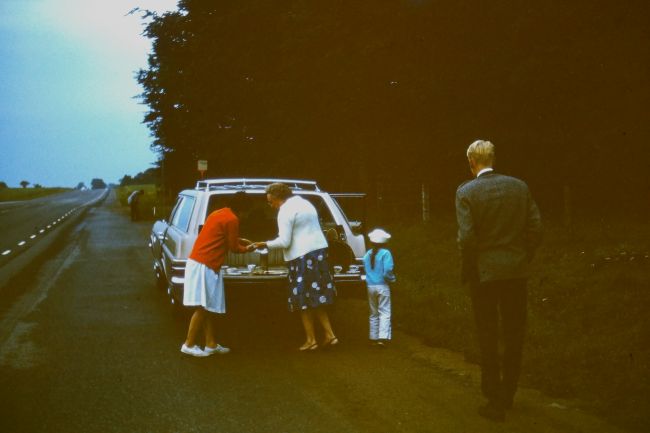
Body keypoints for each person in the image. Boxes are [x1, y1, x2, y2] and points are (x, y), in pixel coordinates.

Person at [455, 140, 542, 421]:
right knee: (515, 332)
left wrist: (470, 267)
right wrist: (523, 256)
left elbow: (467, 238)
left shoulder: (466, 192)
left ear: (471, 162)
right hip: (516, 272)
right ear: (493, 159)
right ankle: (508, 393)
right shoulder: (520, 186)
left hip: (485, 275)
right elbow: (536, 227)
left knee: (488, 334)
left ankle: (493, 398)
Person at [249, 183, 338, 351]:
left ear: (278, 198)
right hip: (319, 253)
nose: (270, 205)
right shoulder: (305, 203)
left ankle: (311, 340)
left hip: (303, 257)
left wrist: (263, 244)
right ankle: (329, 334)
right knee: (317, 297)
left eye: (271, 201)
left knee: (303, 300)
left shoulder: (285, 211)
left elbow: (284, 241)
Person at [181, 192, 251, 357]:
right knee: (203, 306)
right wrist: (248, 248)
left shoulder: (218, 213)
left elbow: (220, 236)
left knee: (207, 305)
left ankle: (210, 343)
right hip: (205, 264)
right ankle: (188, 344)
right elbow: (233, 247)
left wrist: (240, 240)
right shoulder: (233, 219)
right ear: (243, 209)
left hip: (198, 261)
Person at [363, 228, 396, 347]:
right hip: (382, 285)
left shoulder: (367, 254)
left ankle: (373, 336)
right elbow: (387, 270)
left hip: (370, 286)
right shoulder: (386, 253)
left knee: (373, 312)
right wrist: (392, 279)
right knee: (385, 311)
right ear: (385, 242)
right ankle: (382, 337)